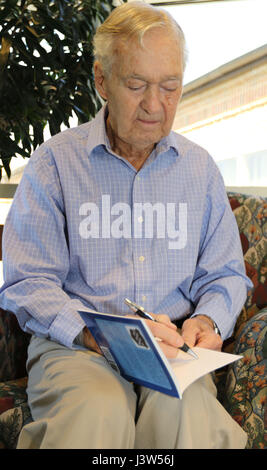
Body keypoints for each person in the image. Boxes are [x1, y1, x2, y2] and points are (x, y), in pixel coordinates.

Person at [0, 2, 252, 449]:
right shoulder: (55, 164)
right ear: (102, 81)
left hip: (174, 349)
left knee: (186, 412)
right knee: (97, 411)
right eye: (136, 85)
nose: (154, 105)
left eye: (170, 87)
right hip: (77, 346)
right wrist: (95, 334)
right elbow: (28, 280)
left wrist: (208, 319)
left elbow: (226, 275)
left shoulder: (200, 170)